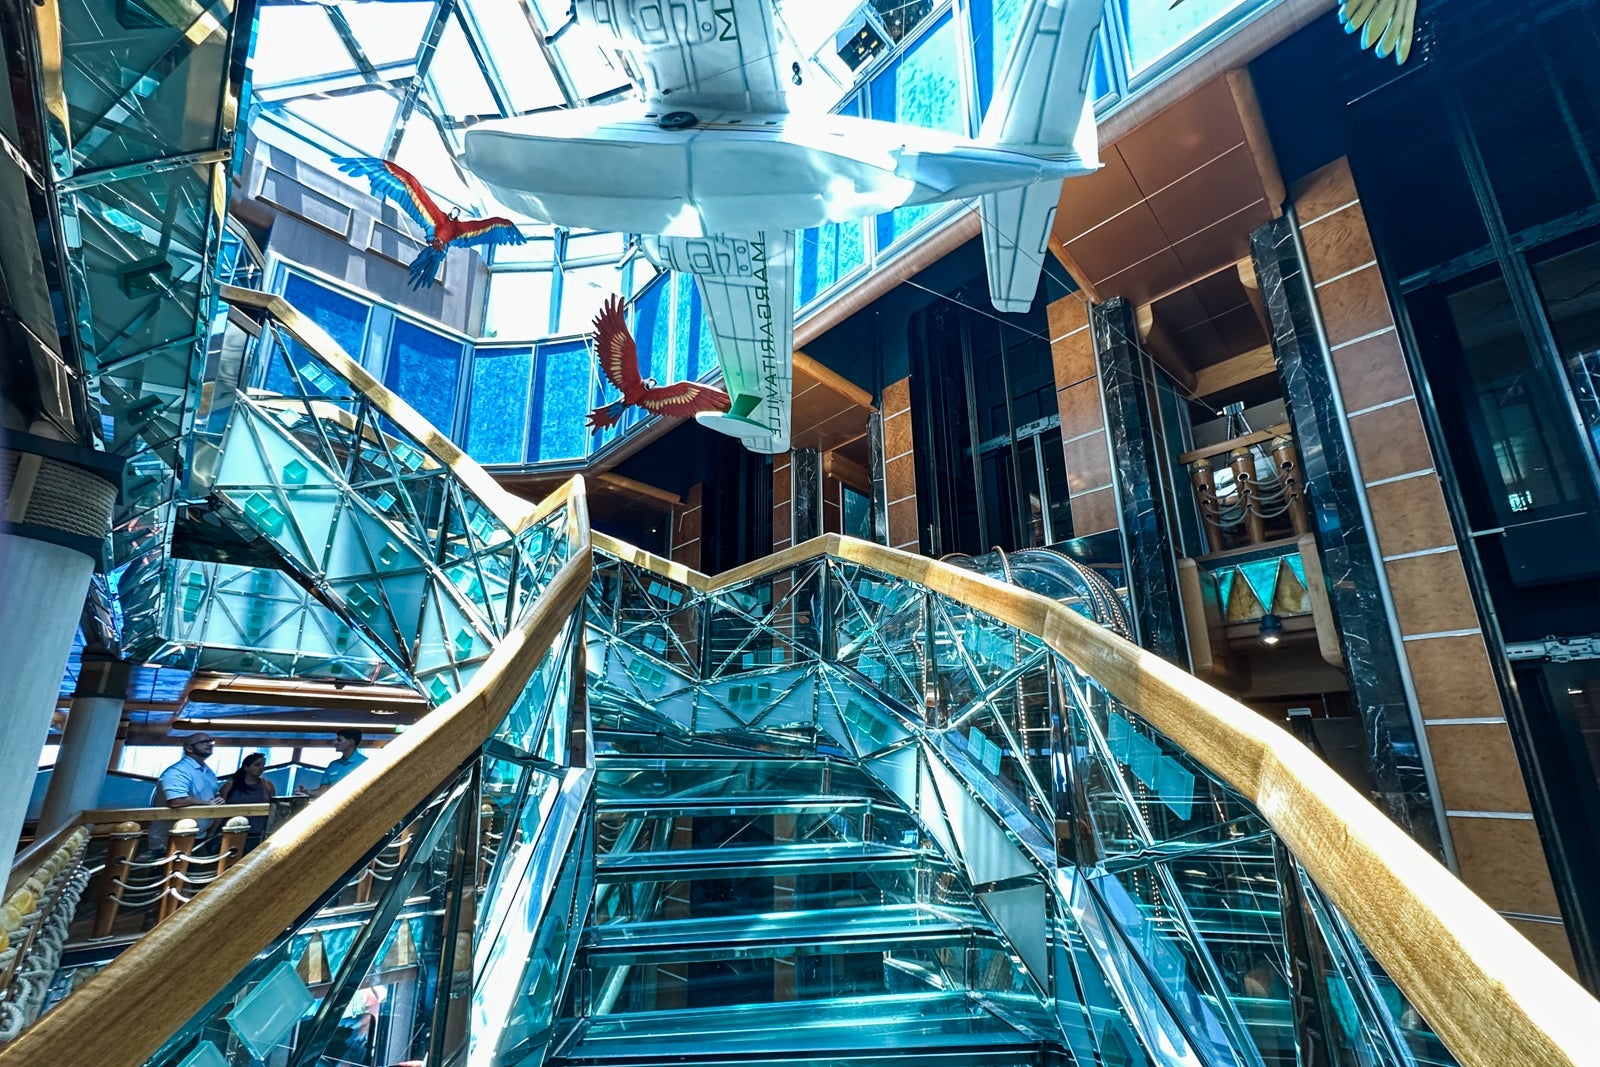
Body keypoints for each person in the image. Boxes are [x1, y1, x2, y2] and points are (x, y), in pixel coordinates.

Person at [148, 733, 220, 855]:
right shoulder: (178, 771)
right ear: (189, 748)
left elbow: (213, 796)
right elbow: (176, 801)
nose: (209, 744)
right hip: (170, 839)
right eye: (203, 742)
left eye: (210, 741)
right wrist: (207, 803)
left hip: (199, 836)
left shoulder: (208, 772)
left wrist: (218, 800)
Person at [220, 752, 277, 844]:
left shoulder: (267, 785)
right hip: (232, 832)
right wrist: (211, 833)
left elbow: (273, 808)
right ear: (246, 767)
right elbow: (220, 809)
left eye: (263, 765)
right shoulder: (231, 785)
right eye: (257, 765)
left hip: (258, 833)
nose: (261, 768)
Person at [314, 729, 369, 795]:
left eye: (339, 740)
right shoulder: (332, 765)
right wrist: (307, 792)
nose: (334, 742)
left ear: (350, 742)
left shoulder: (366, 763)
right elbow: (322, 791)